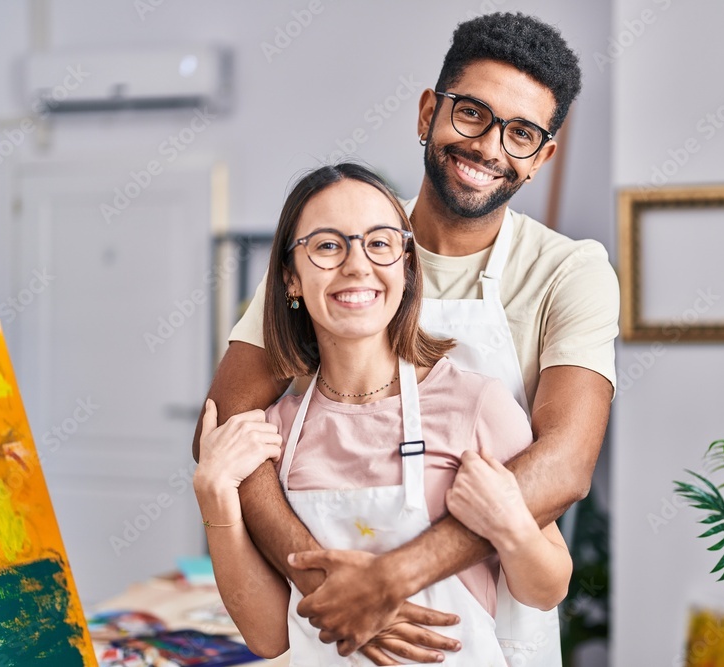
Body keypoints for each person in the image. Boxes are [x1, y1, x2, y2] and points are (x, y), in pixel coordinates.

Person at [192, 11, 619, 664]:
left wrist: (389, 583)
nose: (488, 147)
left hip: (493, 631)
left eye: (522, 133)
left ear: (542, 159)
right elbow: (223, 429)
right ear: (428, 113)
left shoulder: (569, 271)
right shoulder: (338, 242)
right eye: (472, 114)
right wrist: (327, 589)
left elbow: (563, 466)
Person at [193, 163, 572, 664]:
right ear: (290, 278)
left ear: (407, 265)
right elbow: (269, 638)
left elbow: (546, 590)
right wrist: (215, 498)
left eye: (379, 243)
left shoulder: (476, 406)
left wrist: (512, 525)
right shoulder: (273, 435)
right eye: (328, 246)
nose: (356, 266)